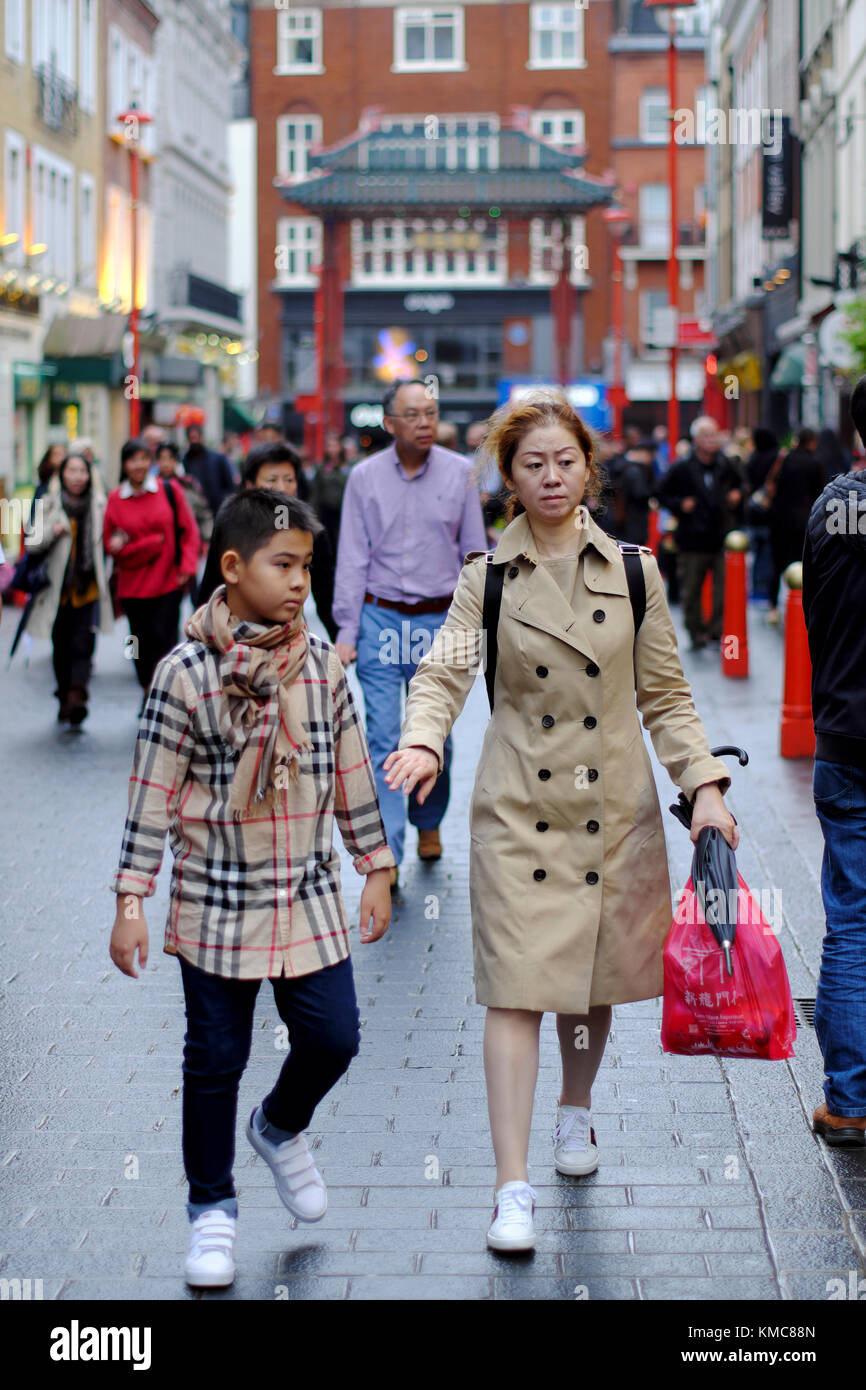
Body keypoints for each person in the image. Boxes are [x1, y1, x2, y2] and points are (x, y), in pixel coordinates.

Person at [384, 388, 737, 1251]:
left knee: (590, 983)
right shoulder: (487, 580)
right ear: (507, 476)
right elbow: (441, 674)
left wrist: (707, 786)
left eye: (565, 462)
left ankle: (575, 1111)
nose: (551, 477)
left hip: (610, 808)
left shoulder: (634, 572)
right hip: (518, 811)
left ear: (589, 470)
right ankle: (511, 1187)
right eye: (532, 464)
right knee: (514, 991)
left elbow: (666, 695)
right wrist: (424, 739)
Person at [107, 488, 395, 1287]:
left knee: (335, 1037)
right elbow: (151, 795)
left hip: (306, 895)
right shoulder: (185, 673)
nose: (300, 581)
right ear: (232, 569)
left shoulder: (321, 666)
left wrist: (377, 866)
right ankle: (212, 1212)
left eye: (307, 565)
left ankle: (279, 1125)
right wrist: (131, 900)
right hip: (215, 901)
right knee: (214, 1059)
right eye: (283, 564)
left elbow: (351, 772)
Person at [333, 378, 487, 887]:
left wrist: (479, 628)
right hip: (380, 617)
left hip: (440, 620)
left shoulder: (462, 474)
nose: (425, 422)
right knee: (381, 737)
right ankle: (387, 853)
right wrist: (347, 629)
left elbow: (474, 557)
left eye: (431, 413)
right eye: (414, 414)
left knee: (435, 733)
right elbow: (353, 555)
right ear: (390, 422)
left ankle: (427, 821)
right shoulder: (364, 477)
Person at [801, 375, 866, 1148]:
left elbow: (815, 610)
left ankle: (849, 1101)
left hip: (846, 735)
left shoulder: (830, 507)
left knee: (851, 921)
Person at [197, 442, 338, 642]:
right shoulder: (232, 523)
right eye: (272, 479)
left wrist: (340, 636)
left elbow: (326, 591)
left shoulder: (309, 530)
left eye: (289, 479)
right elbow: (211, 583)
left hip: (288, 635)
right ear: (250, 484)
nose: (282, 487)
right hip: (233, 634)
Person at [103, 438, 200, 712]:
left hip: (168, 582)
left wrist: (187, 568)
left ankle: (162, 693)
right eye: (133, 459)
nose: (139, 465)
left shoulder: (169, 491)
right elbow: (112, 546)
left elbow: (189, 531)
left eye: (144, 459)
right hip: (132, 588)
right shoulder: (115, 499)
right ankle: (146, 684)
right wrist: (151, 544)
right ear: (124, 464)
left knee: (166, 640)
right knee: (135, 643)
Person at [22, 453, 113, 725]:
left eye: (82, 471)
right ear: (62, 474)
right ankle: (64, 695)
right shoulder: (48, 503)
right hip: (57, 590)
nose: (77, 477)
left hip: (87, 587)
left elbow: (109, 535)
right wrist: (53, 529)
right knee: (60, 644)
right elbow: (31, 543)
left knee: (83, 643)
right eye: (71, 471)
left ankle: (77, 694)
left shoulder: (99, 503)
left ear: (89, 475)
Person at [655, 415, 744, 650]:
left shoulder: (726, 464)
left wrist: (737, 494)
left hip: (721, 536)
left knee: (722, 590)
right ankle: (696, 632)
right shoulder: (682, 467)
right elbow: (661, 493)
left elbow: (743, 484)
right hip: (692, 538)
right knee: (691, 590)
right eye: (706, 435)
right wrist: (680, 504)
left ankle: (716, 631)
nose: (711, 440)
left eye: (714, 435)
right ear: (695, 440)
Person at [765, 428, 825, 626]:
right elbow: (820, 496)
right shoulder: (814, 464)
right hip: (803, 522)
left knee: (777, 563)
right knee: (805, 566)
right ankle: (803, 607)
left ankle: (773, 607)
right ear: (812, 442)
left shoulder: (783, 459)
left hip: (779, 519)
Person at [156, 442, 213, 554]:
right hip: (160, 545)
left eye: (170, 459)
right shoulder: (152, 487)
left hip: (187, 542)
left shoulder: (188, 485)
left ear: (176, 461)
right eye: (162, 459)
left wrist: (206, 538)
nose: (166, 464)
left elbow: (203, 513)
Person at [744, 426, 780, 601]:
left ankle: (755, 587)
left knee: (756, 551)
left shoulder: (753, 458)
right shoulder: (776, 457)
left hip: (753, 511)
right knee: (766, 552)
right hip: (769, 512)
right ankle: (762, 588)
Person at [309, 431, 351, 554]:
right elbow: (315, 493)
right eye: (329, 446)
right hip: (325, 513)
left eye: (335, 445)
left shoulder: (348, 467)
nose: (332, 449)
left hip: (343, 513)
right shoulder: (321, 468)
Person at [182, 424, 237, 517]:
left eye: (196, 437)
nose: (194, 441)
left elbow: (230, 487)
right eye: (192, 438)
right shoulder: (184, 461)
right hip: (194, 512)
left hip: (216, 512)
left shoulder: (218, 459)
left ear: (202, 437)